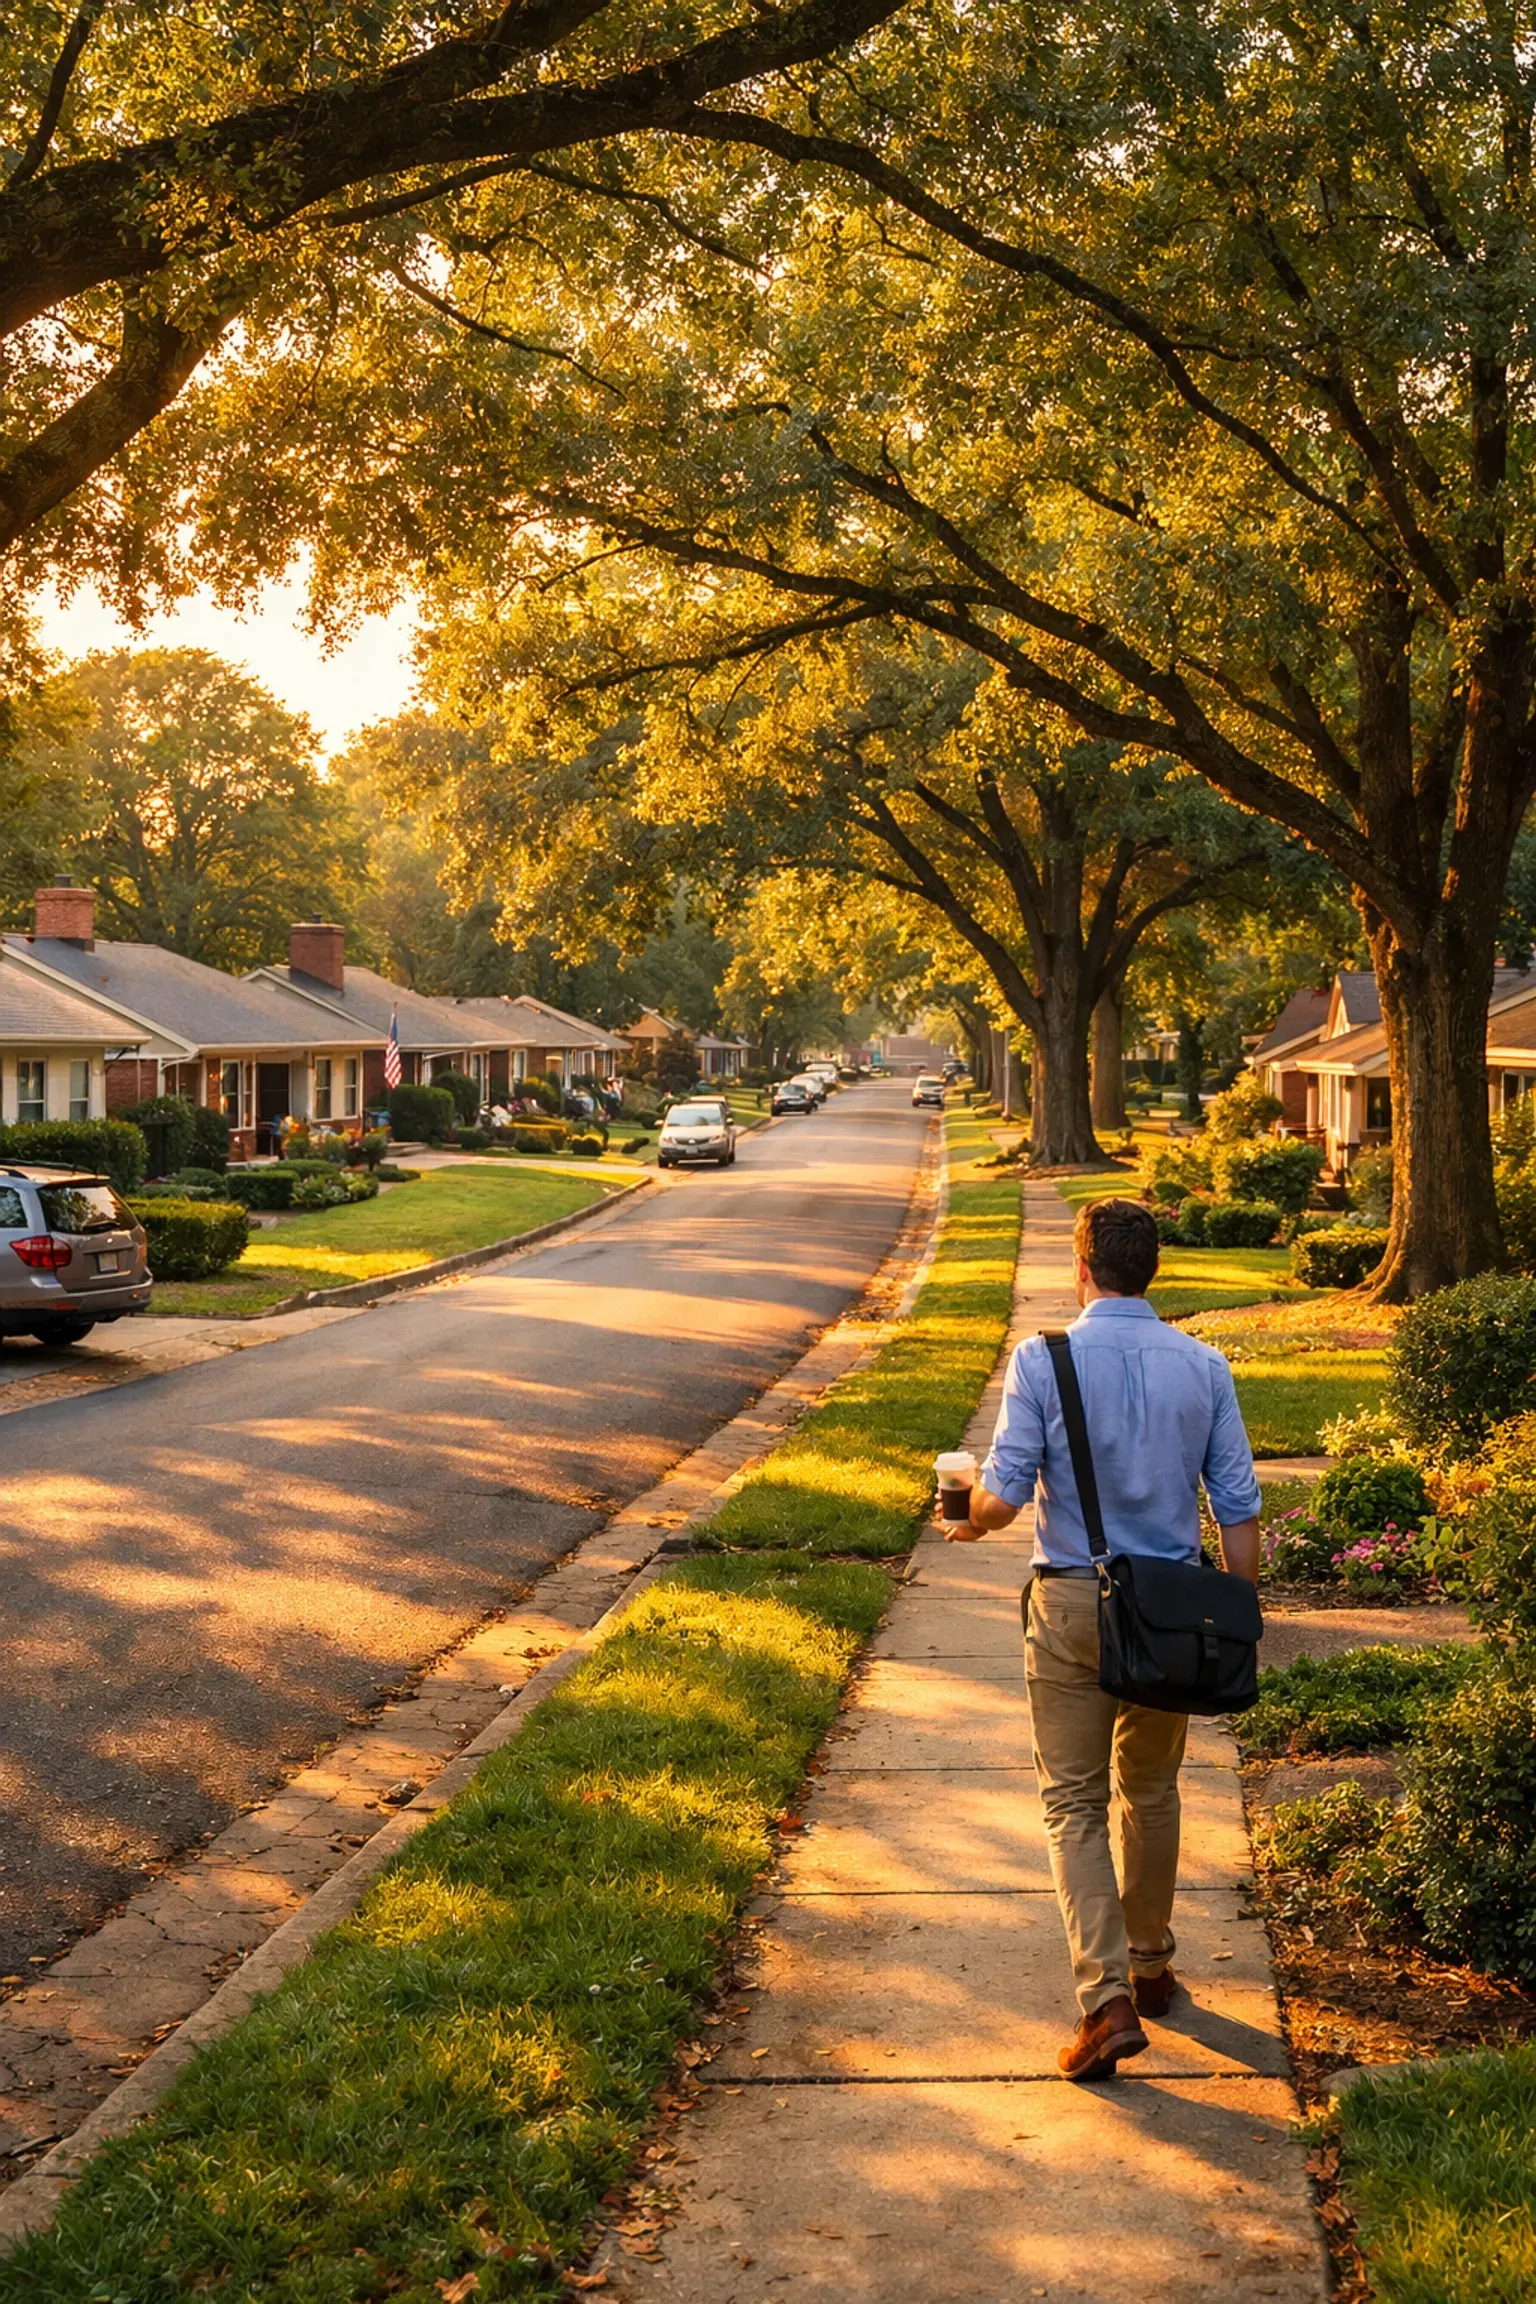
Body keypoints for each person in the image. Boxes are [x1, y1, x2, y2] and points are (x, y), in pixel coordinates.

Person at [947, 1197, 1262, 2082]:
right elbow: (1238, 1514)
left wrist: (969, 1520)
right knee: (1152, 1790)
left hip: (1074, 1606)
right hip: (1169, 1617)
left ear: (1081, 1268)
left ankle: (1107, 2000)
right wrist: (1239, 1617)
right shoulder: (1204, 1366)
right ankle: (1153, 1966)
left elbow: (1004, 1497)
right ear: (1150, 1269)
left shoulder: (1044, 1359)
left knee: (1073, 1804)